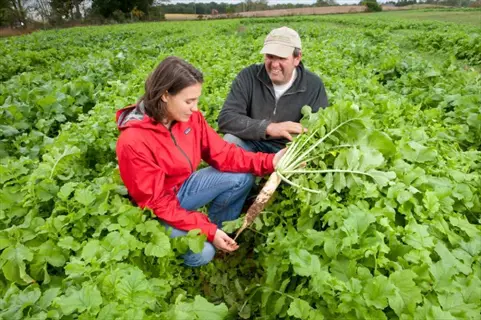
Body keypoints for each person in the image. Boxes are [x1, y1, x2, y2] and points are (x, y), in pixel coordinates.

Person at [115, 56, 285, 267]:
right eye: (189, 101)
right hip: (156, 208)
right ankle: (177, 252)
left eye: (196, 100)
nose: (195, 108)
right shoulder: (133, 141)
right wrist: (207, 231)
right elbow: (156, 202)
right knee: (203, 253)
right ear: (165, 95)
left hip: (182, 189)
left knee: (241, 177)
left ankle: (220, 233)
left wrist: (270, 161)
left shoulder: (190, 119)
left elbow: (223, 153)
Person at [218, 26, 329, 153]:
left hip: (287, 149)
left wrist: (293, 151)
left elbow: (319, 130)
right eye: (270, 56)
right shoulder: (248, 76)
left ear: (297, 58)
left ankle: (251, 170)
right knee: (229, 142)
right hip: (250, 140)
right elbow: (227, 118)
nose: (275, 65)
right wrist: (268, 128)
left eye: (282, 58)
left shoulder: (313, 85)